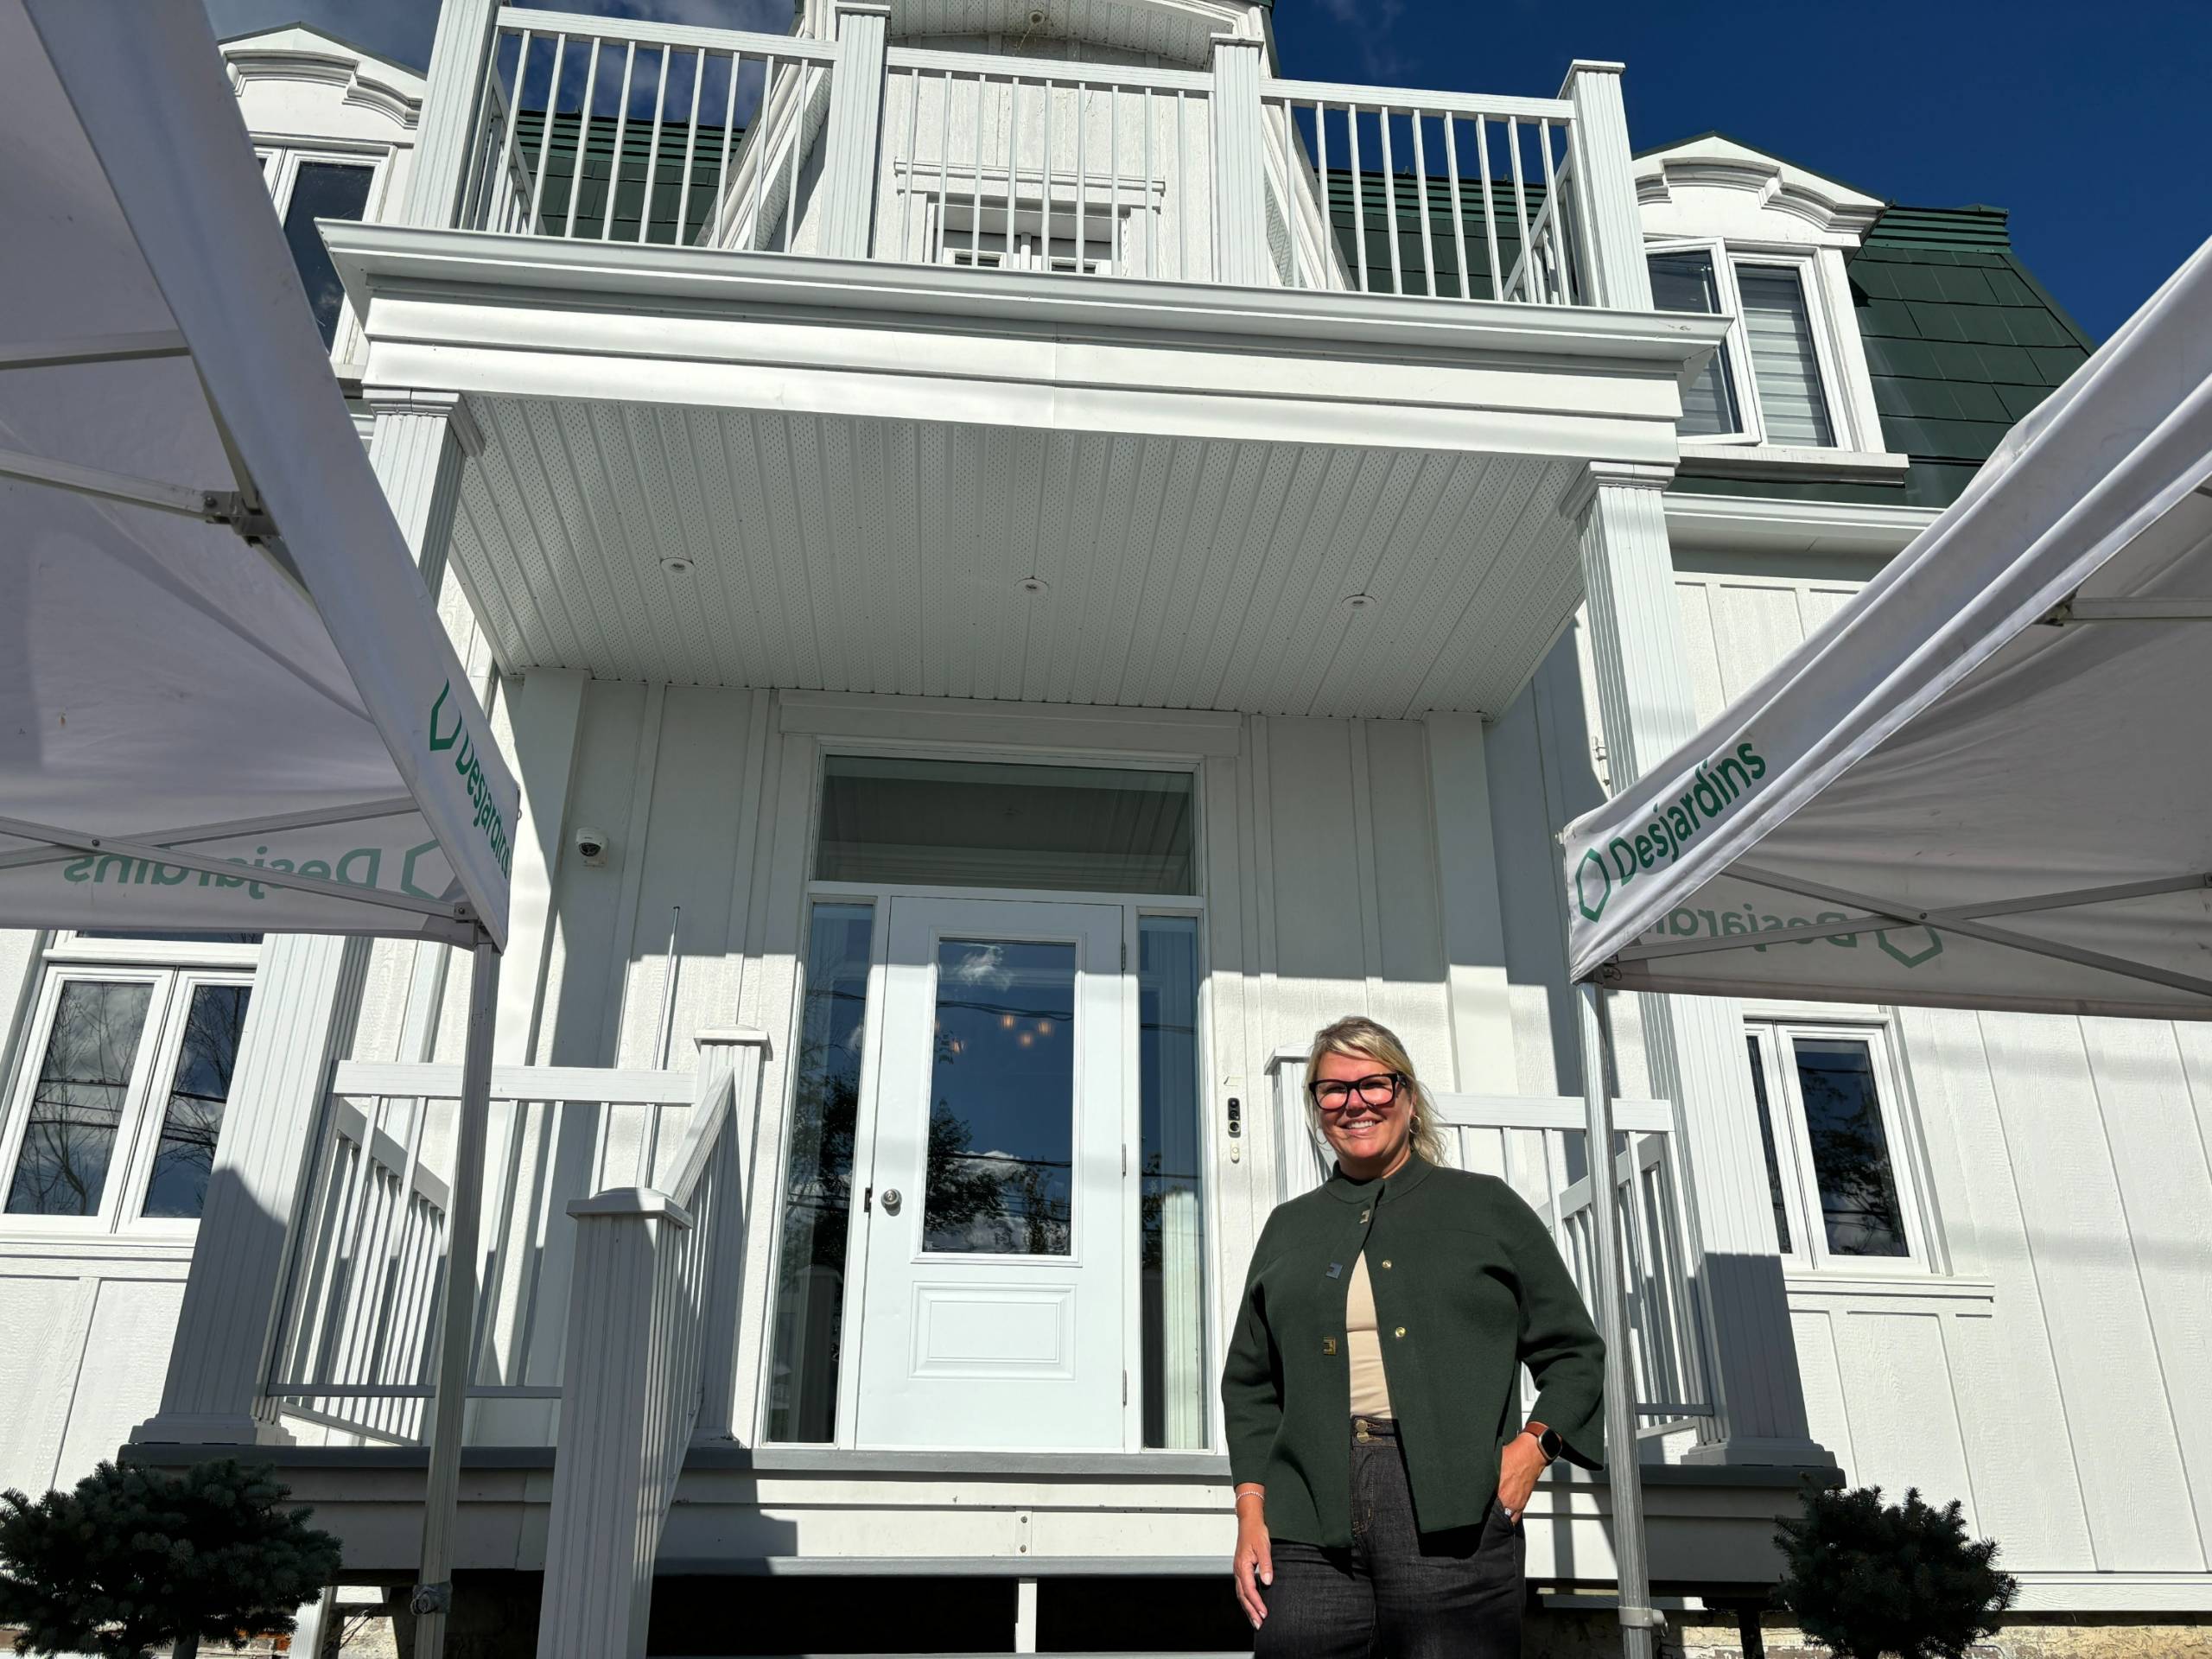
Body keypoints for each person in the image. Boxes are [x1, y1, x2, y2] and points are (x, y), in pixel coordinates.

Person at [1222, 1015, 1605, 1658]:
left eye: (1374, 1083)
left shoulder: (1486, 1208)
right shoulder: (1289, 1227)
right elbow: (1251, 1385)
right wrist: (1251, 1510)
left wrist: (1533, 1450)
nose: (1355, 1103)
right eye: (1333, 1090)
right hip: (1309, 1512)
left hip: (1455, 1508)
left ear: (1407, 1094)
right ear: (1316, 1107)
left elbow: (1575, 1352)